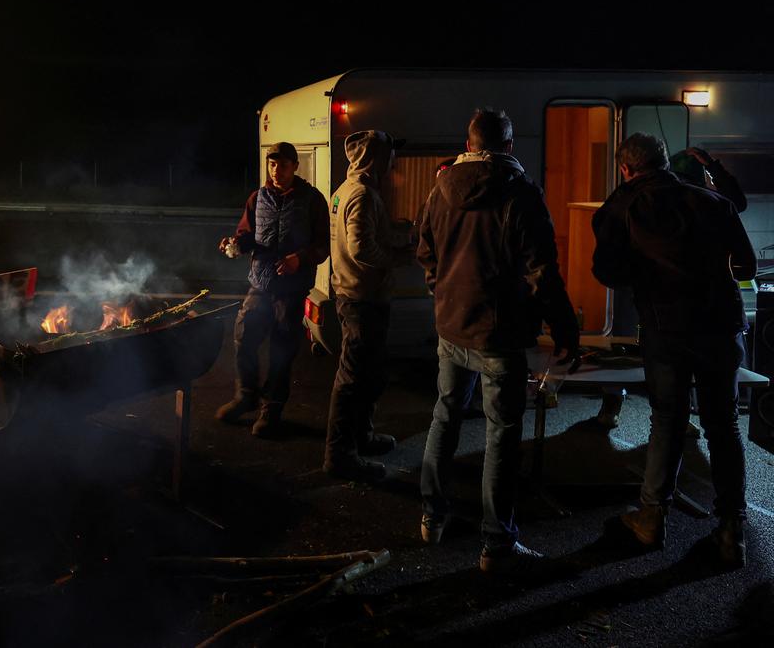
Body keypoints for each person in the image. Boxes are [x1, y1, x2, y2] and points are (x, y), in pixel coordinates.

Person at [416, 108, 580, 575]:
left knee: (445, 415)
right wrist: (565, 329)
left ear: (469, 144)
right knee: (501, 433)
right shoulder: (521, 193)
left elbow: (424, 250)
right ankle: (496, 544)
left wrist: (440, 289)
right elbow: (542, 271)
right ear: (508, 146)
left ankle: (432, 518)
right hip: (500, 335)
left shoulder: (440, 188)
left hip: (451, 326)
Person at [594, 133, 756, 567]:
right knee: (723, 425)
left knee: (668, 420)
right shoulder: (711, 202)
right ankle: (732, 531)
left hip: (666, 330)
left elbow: (606, 271)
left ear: (627, 170)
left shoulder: (625, 206)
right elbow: (746, 266)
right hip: (721, 328)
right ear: (665, 162)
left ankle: (651, 520)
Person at [216, 141, 330, 438]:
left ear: (295, 166)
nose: (276, 170)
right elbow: (247, 235)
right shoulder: (258, 198)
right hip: (260, 285)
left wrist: (299, 259)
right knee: (243, 337)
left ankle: (272, 411)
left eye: (282, 164)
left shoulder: (312, 199)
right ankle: (246, 396)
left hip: (291, 290)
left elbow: (323, 246)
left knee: (281, 351)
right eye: (272, 164)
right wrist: (236, 244)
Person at [322, 130, 415, 481]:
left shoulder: (346, 191)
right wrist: (398, 258)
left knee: (369, 374)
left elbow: (363, 236)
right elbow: (361, 249)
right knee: (353, 377)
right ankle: (340, 455)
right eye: (390, 155)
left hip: (356, 296)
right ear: (375, 158)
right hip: (362, 299)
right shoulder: (361, 194)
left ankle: (361, 435)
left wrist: (398, 233)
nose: (394, 162)